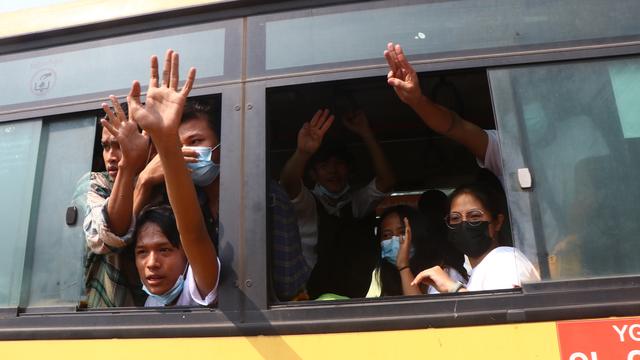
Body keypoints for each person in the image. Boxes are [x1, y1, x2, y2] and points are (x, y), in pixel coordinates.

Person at [126, 49, 220, 306]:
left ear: (187, 255)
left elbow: (193, 231)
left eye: (165, 250)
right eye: (141, 253)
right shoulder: (150, 302)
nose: (152, 264)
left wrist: (167, 142)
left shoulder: (199, 286)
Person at [279, 109, 395, 298]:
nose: (333, 171)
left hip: (355, 298)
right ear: (313, 175)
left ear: (348, 170)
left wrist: (366, 133)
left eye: (339, 164)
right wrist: (303, 152)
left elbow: (386, 181)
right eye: (324, 166)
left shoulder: (355, 204)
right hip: (309, 297)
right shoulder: (309, 204)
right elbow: (288, 184)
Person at [83, 99, 150, 307]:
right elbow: (110, 236)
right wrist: (137, 178)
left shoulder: (168, 181)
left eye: (120, 145)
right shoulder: (96, 184)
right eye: (105, 147)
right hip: (110, 323)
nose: (111, 157)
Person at [411, 184, 539, 292]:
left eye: (474, 216)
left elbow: (500, 315)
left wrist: (453, 288)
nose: (464, 224)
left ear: (497, 223)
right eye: (455, 218)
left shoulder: (505, 259)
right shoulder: (479, 271)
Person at [133, 100, 220, 246]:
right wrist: (144, 181)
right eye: (177, 147)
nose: (184, 153)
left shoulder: (262, 195)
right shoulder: (181, 202)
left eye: (195, 141)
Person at [366, 205, 467, 297]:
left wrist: (403, 267)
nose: (395, 240)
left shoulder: (442, 274)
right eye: (387, 235)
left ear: (417, 236)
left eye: (402, 232)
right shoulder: (382, 275)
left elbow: (418, 312)